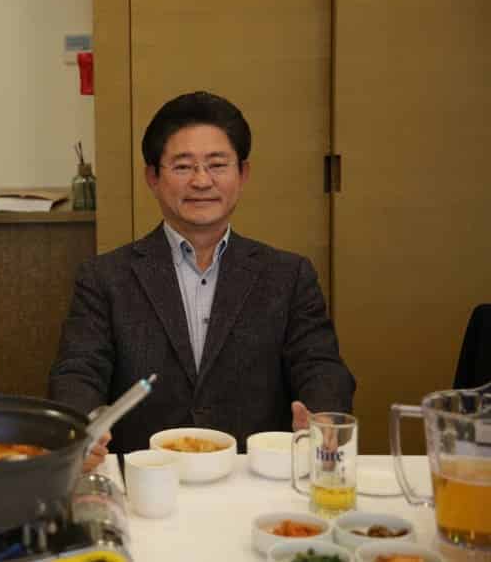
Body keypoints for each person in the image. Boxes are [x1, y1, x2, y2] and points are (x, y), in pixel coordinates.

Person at [49, 91, 355, 470]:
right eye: (183, 166)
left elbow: (321, 365)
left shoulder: (288, 275)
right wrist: (84, 423)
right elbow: (77, 370)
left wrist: (323, 414)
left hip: (253, 477)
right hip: (146, 476)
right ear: (153, 177)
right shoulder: (104, 277)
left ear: (243, 175)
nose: (201, 180)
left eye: (217, 164)